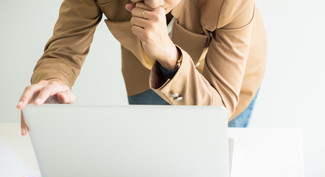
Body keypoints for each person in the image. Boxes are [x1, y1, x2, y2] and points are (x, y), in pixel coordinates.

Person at [17, 0, 267, 136]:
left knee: (211, 176)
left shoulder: (234, 3)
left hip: (230, 82)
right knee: (153, 170)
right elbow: (66, 46)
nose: (152, 2)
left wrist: (170, 56)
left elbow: (217, 112)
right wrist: (53, 80)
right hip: (146, 73)